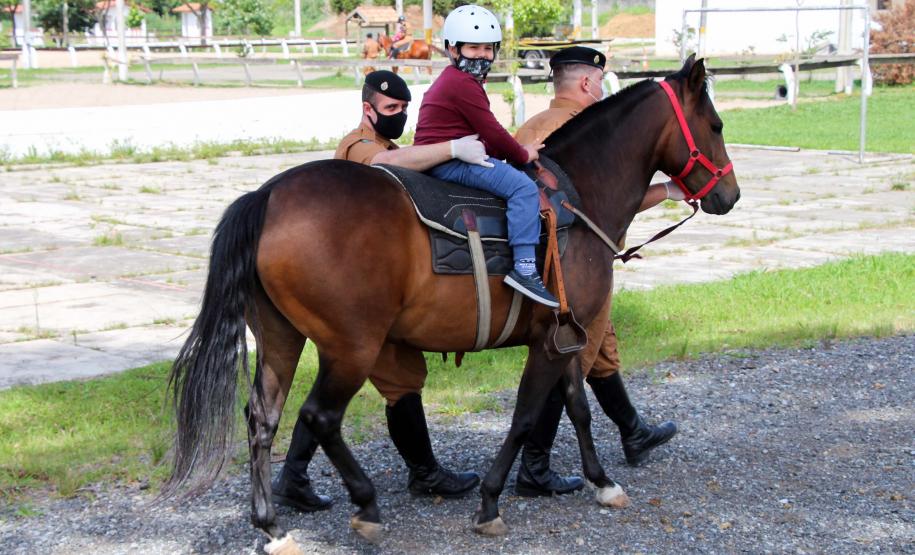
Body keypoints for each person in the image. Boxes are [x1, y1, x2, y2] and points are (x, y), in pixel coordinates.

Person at [272, 71, 487, 514]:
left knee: (346, 379)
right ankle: (424, 472)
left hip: (383, 277)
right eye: (391, 110)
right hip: (360, 283)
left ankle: (293, 477)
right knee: (391, 380)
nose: (399, 116)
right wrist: (449, 149)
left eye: (405, 110)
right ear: (367, 109)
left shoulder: (391, 145)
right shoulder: (359, 145)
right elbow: (384, 167)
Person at [511, 46, 682, 497]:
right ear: (588, 83)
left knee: (600, 348)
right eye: (601, 83)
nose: (603, 91)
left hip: (556, 263)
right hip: (572, 268)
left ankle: (632, 430)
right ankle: (534, 464)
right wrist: (666, 190)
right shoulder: (578, 132)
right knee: (566, 356)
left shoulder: (531, 127)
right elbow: (602, 205)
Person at [414, 4, 559, 308]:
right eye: (473, 47)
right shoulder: (462, 84)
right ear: (453, 50)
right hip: (451, 161)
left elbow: (484, 133)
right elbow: (492, 132)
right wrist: (523, 153)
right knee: (522, 187)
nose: (481, 55)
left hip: (453, 154)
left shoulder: (458, 80)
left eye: (487, 48)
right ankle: (524, 268)